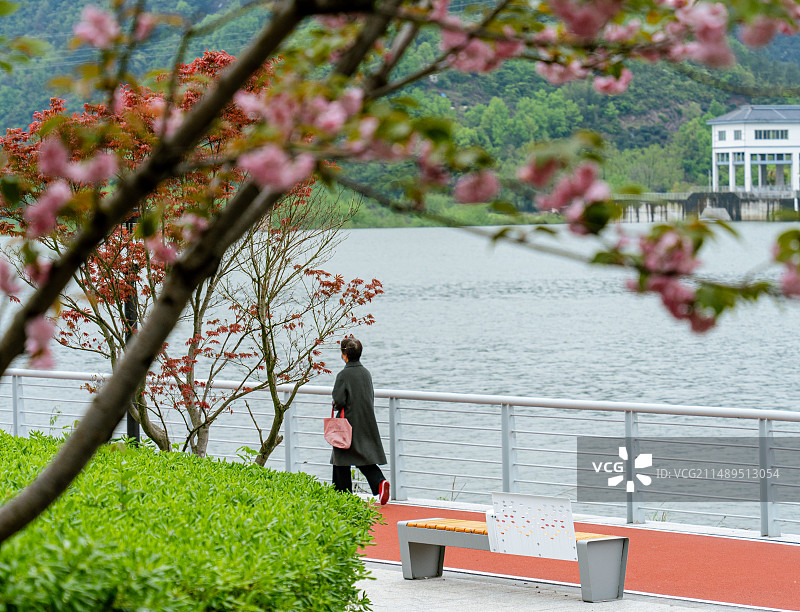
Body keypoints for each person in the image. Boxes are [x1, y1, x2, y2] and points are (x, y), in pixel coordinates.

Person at [330, 336, 390, 505]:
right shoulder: (366, 373)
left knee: (341, 457)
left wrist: (335, 403)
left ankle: (342, 496)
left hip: (347, 423)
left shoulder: (343, 375)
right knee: (362, 457)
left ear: (344, 355)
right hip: (366, 419)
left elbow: (339, 400)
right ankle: (379, 482)